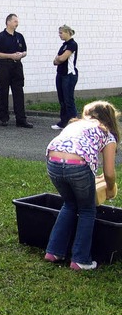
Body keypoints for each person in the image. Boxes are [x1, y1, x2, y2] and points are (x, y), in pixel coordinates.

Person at [44, 101, 120, 271]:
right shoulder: (107, 134)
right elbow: (109, 172)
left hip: (53, 161)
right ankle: (80, 259)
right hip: (78, 164)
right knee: (87, 209)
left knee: (69, 204)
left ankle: (54, 251)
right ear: (110, 119)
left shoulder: (75, 124)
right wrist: (110, 188)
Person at [0, 14, 33, 128]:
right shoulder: (0, 37)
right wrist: (10, 56)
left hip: (17, 67)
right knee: (3, 91)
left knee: (18, 92)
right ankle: (4, 118)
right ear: (8, 22)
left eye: (17, 21)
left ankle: (21, 119)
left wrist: (21, 54)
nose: (16, 23)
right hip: (4, 66)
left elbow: (25, 51)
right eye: (15, 21)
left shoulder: (19, 36)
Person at [51, 25, 78, 130]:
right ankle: (63, 122)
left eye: (61, 33)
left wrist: (58, 59)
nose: (60, 35)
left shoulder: (72, 44)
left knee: (68, 99)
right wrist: (58, 59)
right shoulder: (63, 46)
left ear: (67, 33)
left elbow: (62, 58)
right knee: (62, 100)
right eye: (59, 33)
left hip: (69, 75)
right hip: (60, 74)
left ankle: (74, 122)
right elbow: (55, 61)